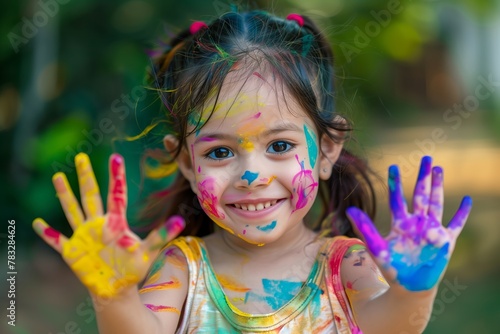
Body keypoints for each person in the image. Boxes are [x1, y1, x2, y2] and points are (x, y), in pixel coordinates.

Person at [32, 9, 473, 333]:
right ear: (187, 162)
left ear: (326, 151)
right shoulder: (183, 270)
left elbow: (392, 327)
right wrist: (115, 296)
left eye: (280, 146)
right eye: (220, 152)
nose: (251, 175)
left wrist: (415, 291)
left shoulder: (345, 267)